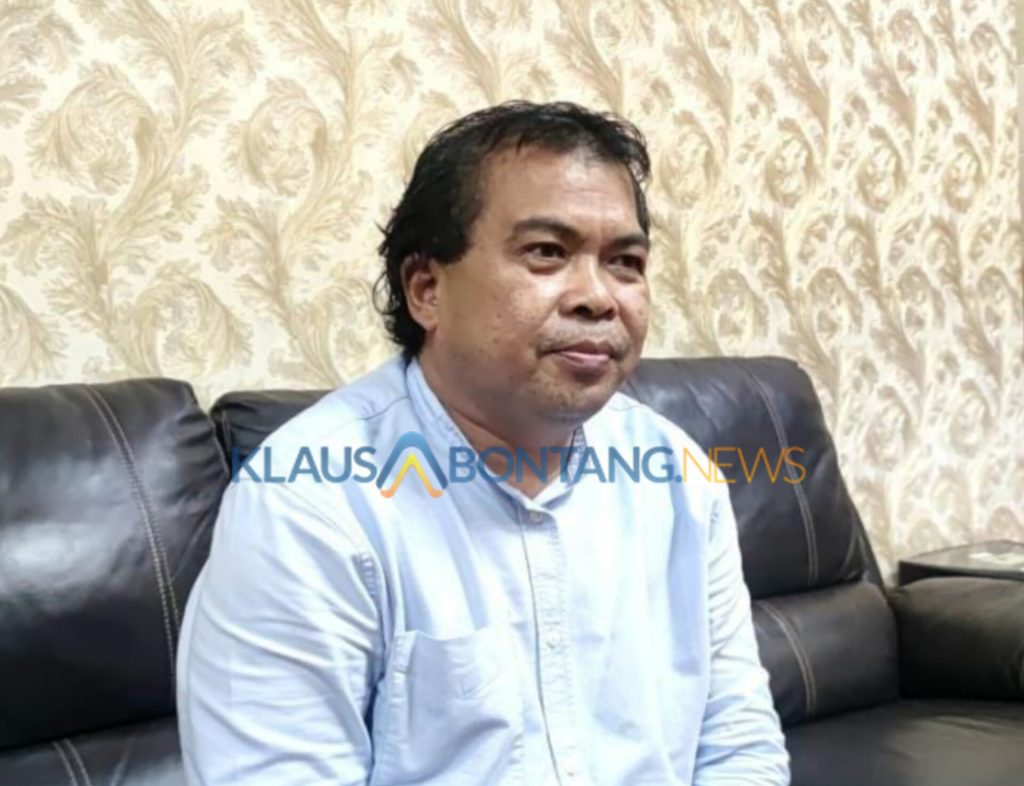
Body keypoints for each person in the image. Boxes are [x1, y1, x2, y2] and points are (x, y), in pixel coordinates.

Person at [176, 100, 790, 785]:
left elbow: (739, 745)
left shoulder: (678, 476)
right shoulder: (308, 506)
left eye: (625, 261)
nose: (598, 297)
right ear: (426, 290)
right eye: (547, 253)